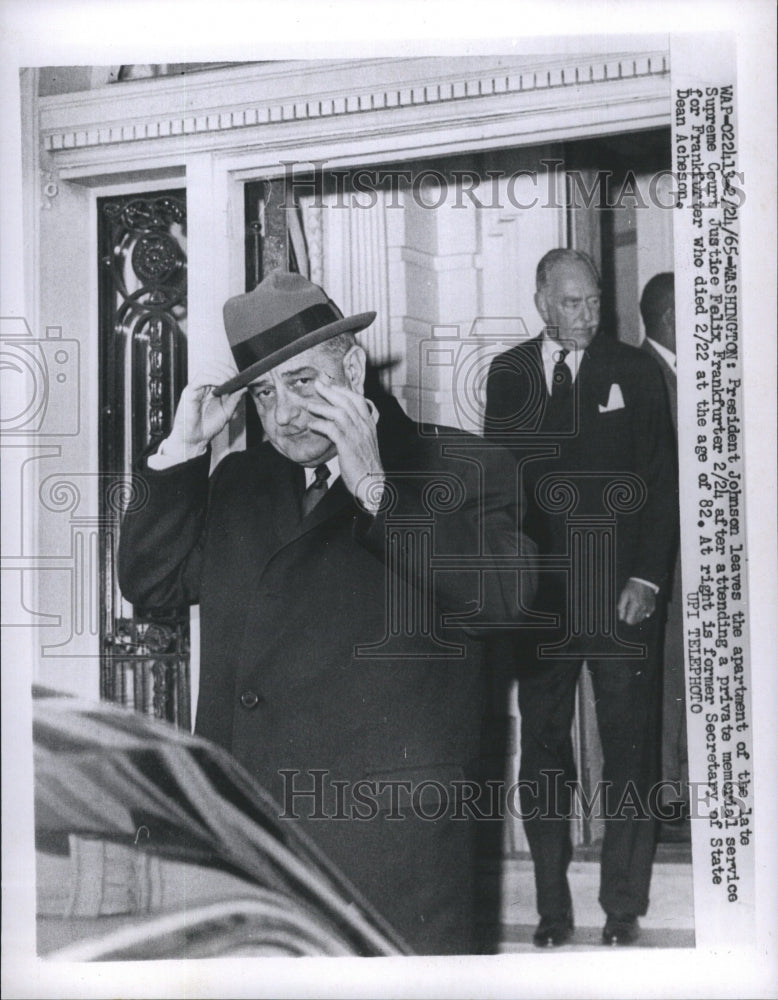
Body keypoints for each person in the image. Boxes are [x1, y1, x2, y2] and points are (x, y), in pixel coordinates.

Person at [119, 268, 535, 955]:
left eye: (302, 382)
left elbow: (506, 599)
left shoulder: (463, 466)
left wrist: (375, 488)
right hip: (252, 843)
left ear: (352, 366)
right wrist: (182, 453)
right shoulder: (240, 481)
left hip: (389, 853)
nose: (282, 415)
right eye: (262, 393)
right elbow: (152, 584)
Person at [484, 249, 677, 947]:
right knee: (543, 753)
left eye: (594, 301)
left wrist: (647, 579)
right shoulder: (508, 376)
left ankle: (622, 907)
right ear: (541, 301)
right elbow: (497, 490)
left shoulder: (635, 370)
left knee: (629, 749)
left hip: (622, 594)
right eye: (572, 303)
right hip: (541, 605)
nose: (587, 315)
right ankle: (551, 910)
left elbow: (661, 483)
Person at [640, 272, 689, 839]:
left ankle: (675, 785)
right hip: (660, 558)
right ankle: (667, 791)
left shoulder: (673, 373)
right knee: (666, 672)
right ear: (673, 317)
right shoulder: (643, 375)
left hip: (682, 552)